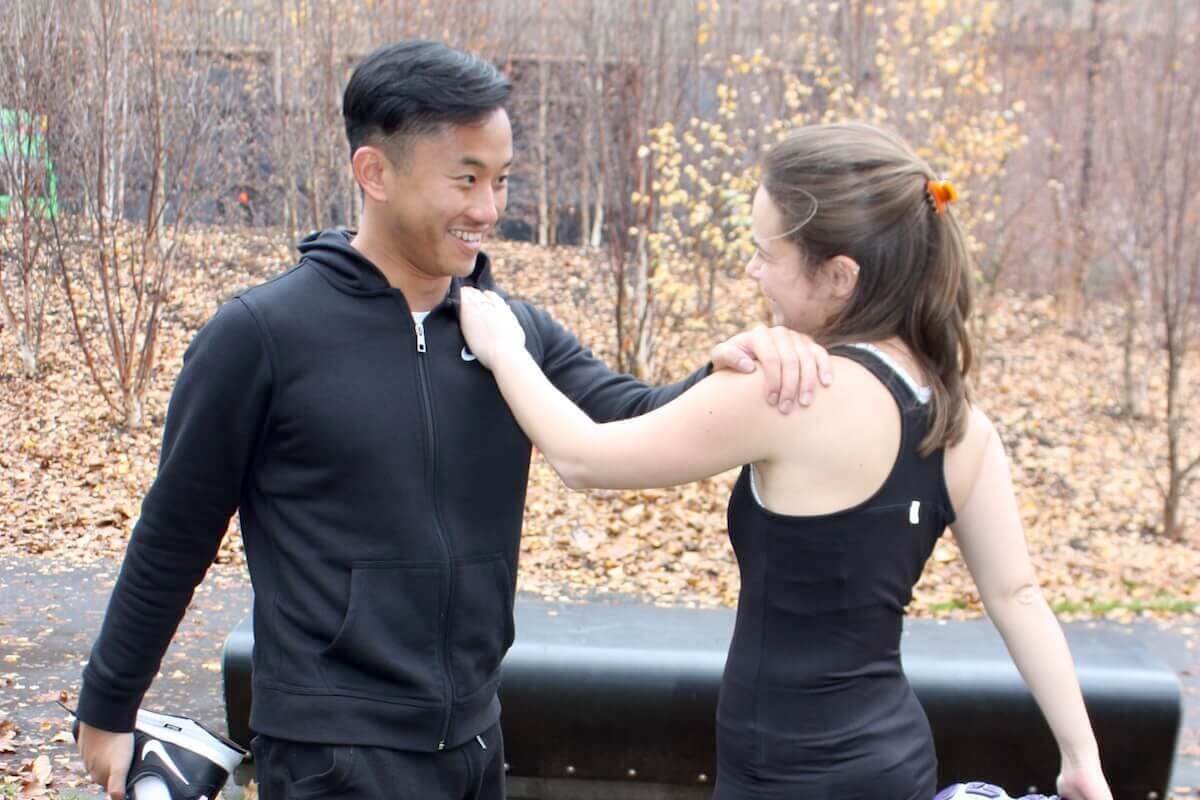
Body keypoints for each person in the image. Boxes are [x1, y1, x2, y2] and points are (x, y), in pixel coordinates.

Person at [73, 40, 830, 800]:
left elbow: (637, 416)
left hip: (475, 737)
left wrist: (734, 366)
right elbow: (174, 533)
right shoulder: (262, 335)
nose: (489, 210)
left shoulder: (510, 332)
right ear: (374, 172)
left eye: (501, 181)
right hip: (334, 751)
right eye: (465, 180)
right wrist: (107, 708)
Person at [459, 122, 1115, 800]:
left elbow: (585, 458)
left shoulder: (790, 393)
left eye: (765, 253)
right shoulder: (959, 418)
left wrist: (506, 349)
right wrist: (1081, 759)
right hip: (893, 764)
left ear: (838, 276)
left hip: (784, 774)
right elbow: (1018, 596)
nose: (752, 271)